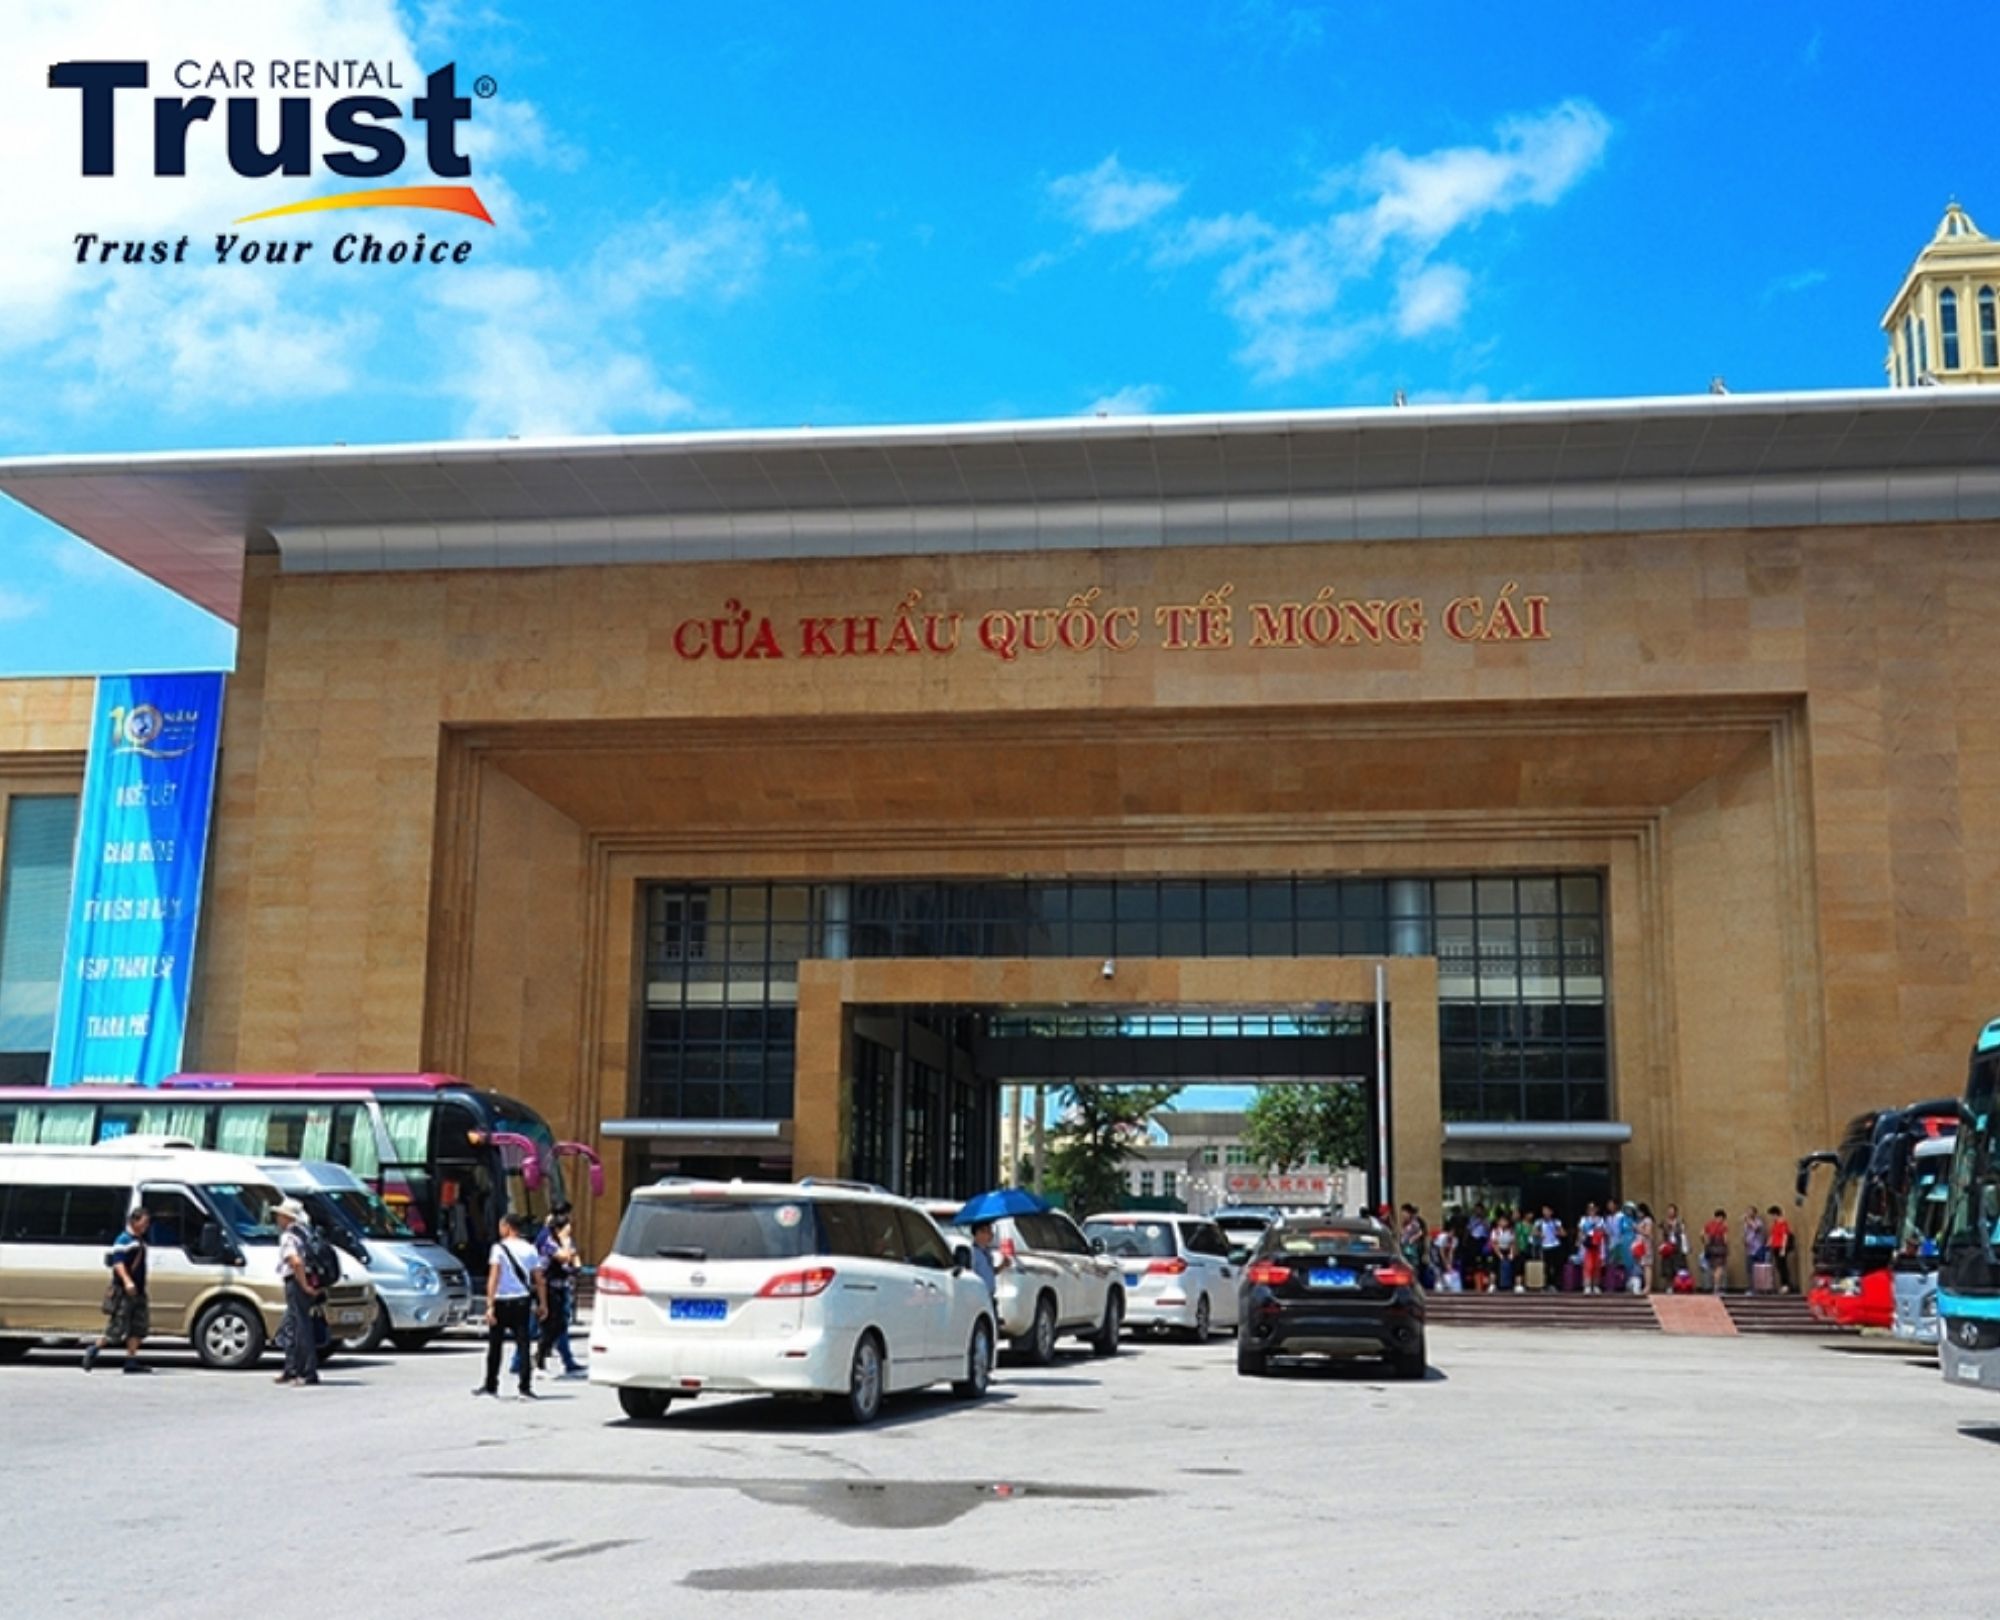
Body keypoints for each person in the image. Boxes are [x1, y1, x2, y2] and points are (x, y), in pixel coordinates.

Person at [476, 1210, 549, 1399]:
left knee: (495, 1346)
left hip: (501, 1300)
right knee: (523, 1344)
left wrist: (489, 1304)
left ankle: (491, 1384)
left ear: (507, 1227)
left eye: (501, 1226)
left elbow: (494, 1277)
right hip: (522, 1300)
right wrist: (543, 1303)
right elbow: (539, 1279)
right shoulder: (530, 1249)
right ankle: (525, 1387)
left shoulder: (498, 1249)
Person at [515, 1204, 585, 1379]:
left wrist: (573, 1260)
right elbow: (565, 1256)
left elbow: (575, 1260)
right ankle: (530, 1361)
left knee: (556, 1325)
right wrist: (567, 1242)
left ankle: (541, 1359)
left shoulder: (561, 1240)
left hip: (559, 1288)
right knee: (542, 1327)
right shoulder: (548, 1240)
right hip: (545, 1289)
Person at [83, 1208, 153, 1374]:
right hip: (124, 1292)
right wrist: (128, 1282)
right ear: (134, 1222)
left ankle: (131, 1361)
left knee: (138, 1326)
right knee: (117, 1328)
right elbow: (118, 1264)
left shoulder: (139, 1240)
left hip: (139, 1291)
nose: (147, 1226)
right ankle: (93, 1349)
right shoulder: (123, 1240)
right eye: (144, 1222)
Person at [274, 1199, 323, 1387]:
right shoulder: (305, 1232)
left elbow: (295, 1262)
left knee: (301, 1327)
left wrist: (303, 1286)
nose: (277, 1218)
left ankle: (308, 1372)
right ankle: (291, 1368)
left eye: (280, 1215)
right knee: (290, 1326)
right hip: (307, 1280)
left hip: (296, 1283)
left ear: (287, 1217)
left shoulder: (288, 1236)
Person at [966, 1219, 1001, 1301]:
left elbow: (990, 1272)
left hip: (990, 1295)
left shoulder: (987, 1252)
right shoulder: (973, 1254)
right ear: (978, 1233)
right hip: (979, 1297)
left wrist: (1002, 1265)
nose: (991, 1235)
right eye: (987, 1231)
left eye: (991, 1231)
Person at [1656, 1204, 1687, 1293]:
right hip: (1667, 1247)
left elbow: (1683, 1233)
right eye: (1669, 1210)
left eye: (1672, 1210)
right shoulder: (1664, 1222)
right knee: (1667, 1268)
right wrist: (1661, 1244)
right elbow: (1660, 1233)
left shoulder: (1680, 1222)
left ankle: (1679, 1285)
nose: (1670, 1212)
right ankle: (1669, 1286)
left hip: (1677, 1247)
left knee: (1679, 1267)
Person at [1533, 1206, 1564, 1291]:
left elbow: (1563, 1233)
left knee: (1555, 1266)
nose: (1545, 1213)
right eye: (1544, 1211)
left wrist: (1558, 1232)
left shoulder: (1556, 1222)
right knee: (1545, 1266)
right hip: (1545, 1246)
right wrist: (1539, 1234)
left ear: (1551, 1212)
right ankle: (1546, 1284)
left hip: (1555, 1245)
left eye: (1547, 1211)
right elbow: (1533, 1232)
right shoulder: (1539, 1222)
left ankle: (1554, 1284)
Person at [1577, 1202, 1606, 1294]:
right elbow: (1580, 1232)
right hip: (1586, 1245)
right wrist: (1580, 1240)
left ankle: (1596, 1285)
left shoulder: (1600, 1220)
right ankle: (1587, 1285)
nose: (1592, 1210)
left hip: (1597, 1245)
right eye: (1590, 1209)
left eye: (1593, 1209)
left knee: (1597, 1266)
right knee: (1588, 1266)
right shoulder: (1583, 1220)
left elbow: (1603, 1231)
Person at [1702, 1208, 1730, 1294]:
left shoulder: (1709, 1224)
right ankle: (1716, 1288)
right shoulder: (1723, 1226)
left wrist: (1705, 1242)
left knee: (1713, 1269)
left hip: (1710, 1248)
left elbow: (1702, 1234)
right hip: (1720, 1248)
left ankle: (1712, 1286)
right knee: (1719, 1269)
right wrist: (1727, 1247)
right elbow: (1726, 1239)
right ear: (1722, 1217)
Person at [1767, 1205, 1795, 1294]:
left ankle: (1786, 1285)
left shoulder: (1783, 1223)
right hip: (1775, 1247)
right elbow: (1772, 1235)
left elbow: (1784, 1236)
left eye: (1772, 1215)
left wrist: (1783, 1248)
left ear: (1776, 1214)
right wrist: (1768, 1243)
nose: (1771, 1217)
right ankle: (1784, 1285)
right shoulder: (1775, 1224)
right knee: (1779, 1266)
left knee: (1783, 1266)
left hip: (1780, 1247)